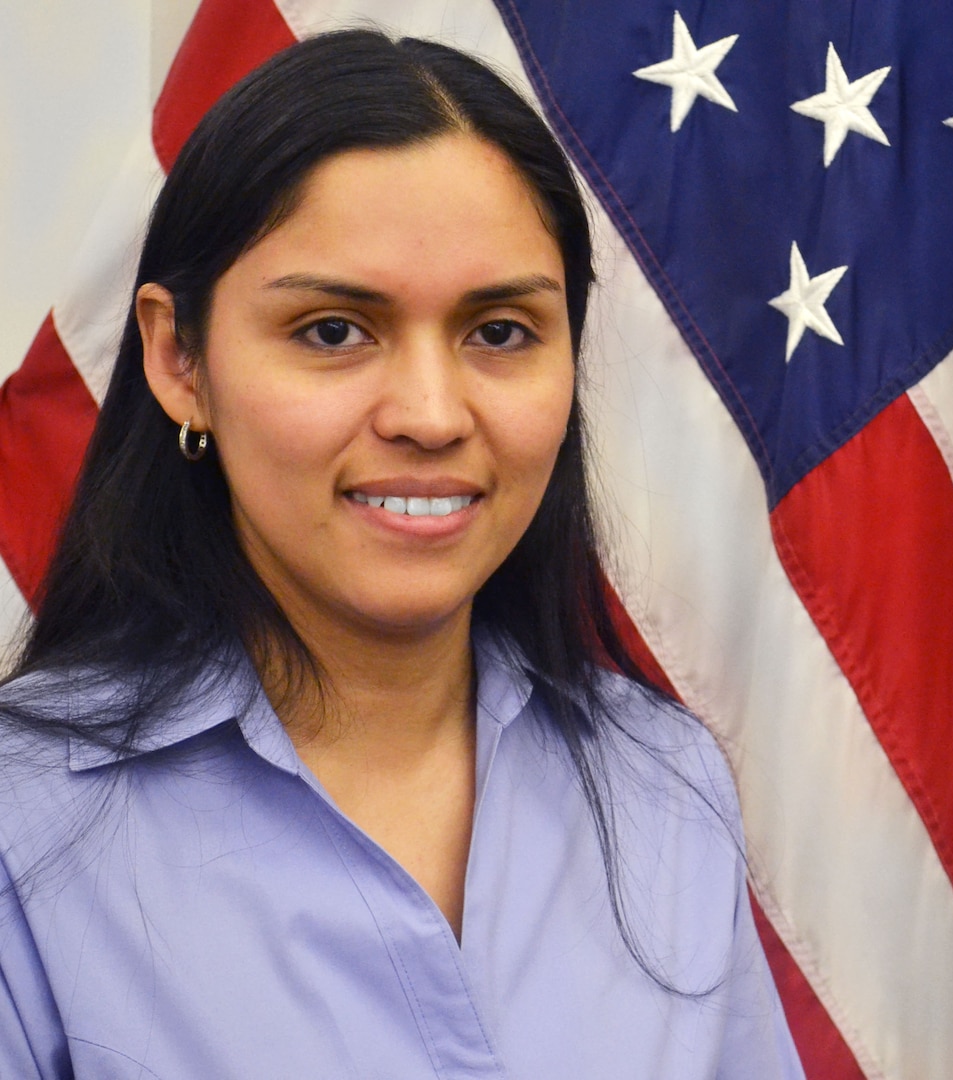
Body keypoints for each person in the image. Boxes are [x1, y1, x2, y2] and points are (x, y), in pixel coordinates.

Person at [0, 30, 804, 1079]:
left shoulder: (663, 783)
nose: (431, 415)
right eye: (334, 331)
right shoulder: (25, 826)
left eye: (501, 331)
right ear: (178, 359)